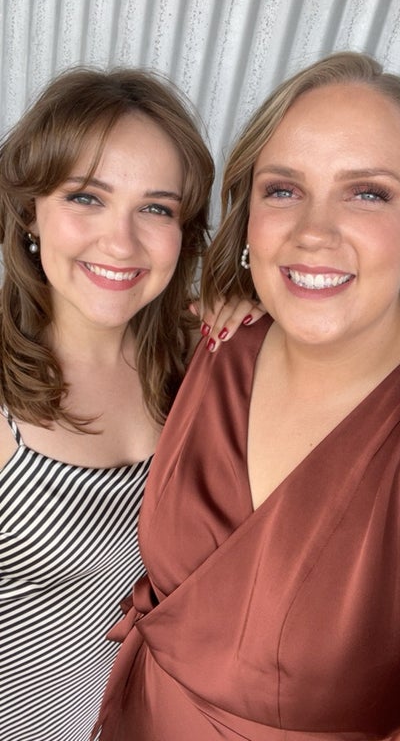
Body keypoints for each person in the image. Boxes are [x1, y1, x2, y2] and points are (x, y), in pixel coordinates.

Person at [93, 51, 400, 740]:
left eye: (367, 193)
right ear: (250, 214)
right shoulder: (217, 345)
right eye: (283, 190)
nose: (313, 232)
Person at [0, 66, 261, 741]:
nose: (121, 242)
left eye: (156, 208)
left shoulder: (194, 358)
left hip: (115, 716)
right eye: (87, 197)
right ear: (30, 212)